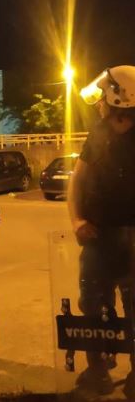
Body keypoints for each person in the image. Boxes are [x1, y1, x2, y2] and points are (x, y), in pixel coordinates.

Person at [68, 65, 135, 399]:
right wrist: (77, 220)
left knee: (134, 306)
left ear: (118, 98)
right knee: (93, 304)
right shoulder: (98, 133)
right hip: (98, 237)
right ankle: (98, 368)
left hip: (132, 238)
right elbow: (77, 179)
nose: (98, 104)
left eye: (103, 98)